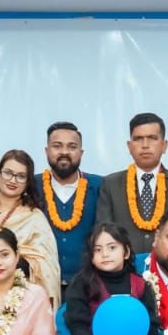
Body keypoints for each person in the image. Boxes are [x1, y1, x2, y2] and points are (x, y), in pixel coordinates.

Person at [94, 112, 168, 253]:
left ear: (164, 145)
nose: (145, 145)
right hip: (124, 264)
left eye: (152, 138)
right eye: (138, 139)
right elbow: (104, 232)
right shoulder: (110, 184)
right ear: (129, 146)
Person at [0, 149, 62, 307]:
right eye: (8, 173)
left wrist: (13, 261)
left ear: (27, 183)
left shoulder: (33, 218)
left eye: (21, 176)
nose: (13, 180)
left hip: (19, 302)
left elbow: (47, 266)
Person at [41, 121, 104, 294]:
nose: (64, 152)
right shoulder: (32, 186)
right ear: (47, 151)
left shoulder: (100, 186)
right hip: (41, 288)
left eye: (72, 147)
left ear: (81, 153)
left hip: (89, 288)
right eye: (57, 146)